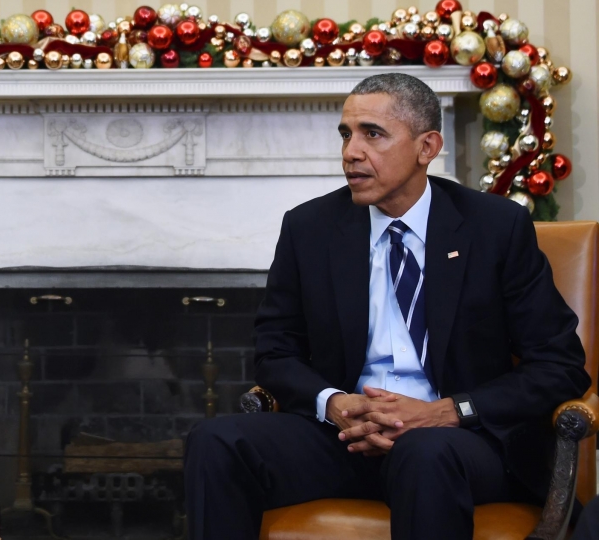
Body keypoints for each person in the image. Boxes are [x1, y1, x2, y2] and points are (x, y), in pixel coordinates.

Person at [184, 73, 590, 540]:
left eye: (372, 134)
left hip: (458, 442)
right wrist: (334, 403)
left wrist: (445, 412)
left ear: (427, 146)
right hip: (345, 436)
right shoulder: (310, 228)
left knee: (425, 452)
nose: (350, 152)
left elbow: (559, 365)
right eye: (346, 134)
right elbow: (275, 352)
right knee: (216, 442)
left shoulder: (496, 227)